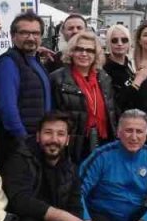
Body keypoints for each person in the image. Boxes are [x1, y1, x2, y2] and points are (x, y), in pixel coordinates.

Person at [50, 30, 118, 163]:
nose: (84, 54)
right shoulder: (57, 78)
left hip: (102, 140)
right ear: (71, 52)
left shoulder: (104, 77)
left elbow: (112, 112)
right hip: (73, 145)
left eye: (90, 50)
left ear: (96, 54)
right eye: (79, 49)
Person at [0, 13, 52, 154]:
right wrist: (24, 140)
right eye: (24, 33)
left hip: (39, 140)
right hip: (21, 145)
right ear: (13, 36)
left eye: (36, 33)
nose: (31, 38)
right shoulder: (8, 62)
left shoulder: (35, 60)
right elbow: (7, 108)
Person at [104, 24, 138, 110]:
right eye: (114, 40)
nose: (120, 44)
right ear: (108, 43)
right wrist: (137, 82)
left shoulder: (130, 63)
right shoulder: (104, 69)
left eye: (124, 40)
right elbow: (116, 102)